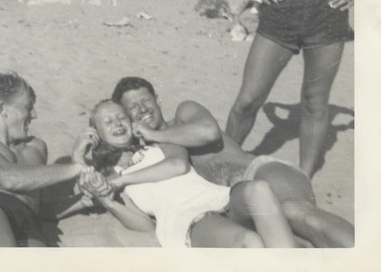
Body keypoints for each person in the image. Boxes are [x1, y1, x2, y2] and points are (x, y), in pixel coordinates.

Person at [111, 76, 354, 247]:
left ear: (158, 100)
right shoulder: (148, 154)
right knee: (296, 241)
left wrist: (154, 135)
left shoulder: (184, 113)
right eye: (133, 107)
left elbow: (208, 132)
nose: (142, 108)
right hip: (232, 203)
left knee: (296, 213)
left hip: (258, 171)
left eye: (146, 100)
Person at [66, 100, 297, 247]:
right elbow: (145, 225)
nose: (117, 123)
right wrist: (80, 160)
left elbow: (178, 166)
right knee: (250, 241)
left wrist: (120, 180)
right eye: (108, 121)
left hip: (218, 197)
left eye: (121, 117)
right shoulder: (107, 177)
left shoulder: (157, 141)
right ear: (96, 133)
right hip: (186, 217)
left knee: (259, 189)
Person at [225, 0, 354, 178]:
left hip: (329, 6)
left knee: (314, 102)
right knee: (248, 100)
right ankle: (223, 162)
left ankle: (304, 178)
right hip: (281, 0)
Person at [0, 72, 89, 247]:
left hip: (30, 222)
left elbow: (37, 207)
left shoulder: (36, 149)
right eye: (28, 107)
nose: (34, 114)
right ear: (2, 109)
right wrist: (76, 168)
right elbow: (8, 178)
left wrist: (83, 200)